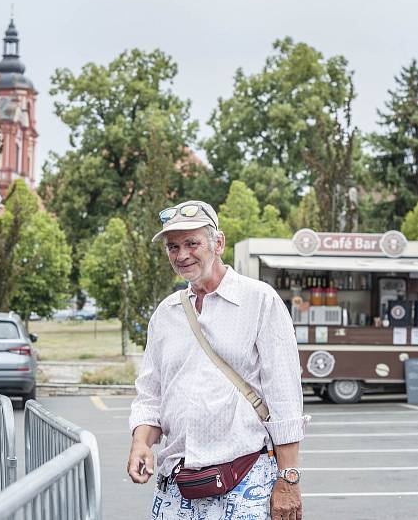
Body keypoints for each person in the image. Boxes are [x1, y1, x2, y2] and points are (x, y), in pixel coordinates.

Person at [127, 200, 309, 520]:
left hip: (245, 478)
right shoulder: (166, 313)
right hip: (178, 483)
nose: (182, 255)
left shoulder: (259, 301)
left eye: (192, 243)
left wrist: (288, 479)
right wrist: (141, 442)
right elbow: (150, 393)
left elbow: (285, 397)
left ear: (219, 243)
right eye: (173, 247)